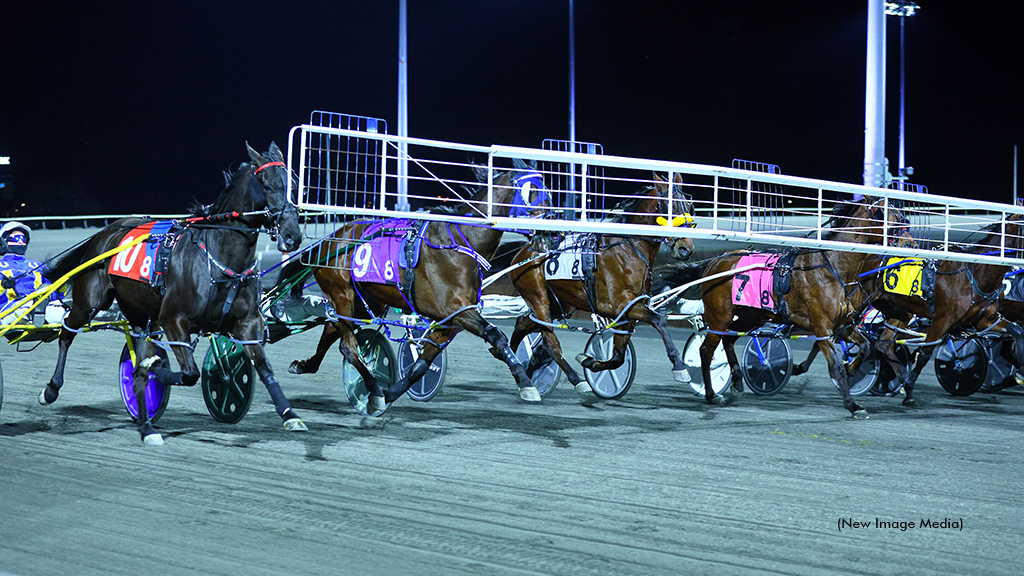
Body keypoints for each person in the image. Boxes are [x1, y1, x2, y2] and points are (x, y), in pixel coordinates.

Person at [0, 222, 64, 325]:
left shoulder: (37, 265)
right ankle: (34, 312)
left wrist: (61, 286)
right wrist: (3, 286)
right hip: (8, 311)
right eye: (16, 238)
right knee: (26, 306)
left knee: (59, 307)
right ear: (3, 241)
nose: (21, 242)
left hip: (37, 305)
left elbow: (53, 291)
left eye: (23, 239)